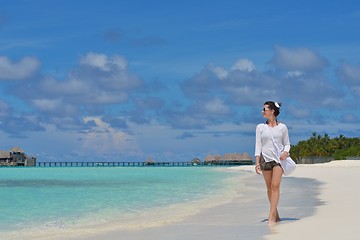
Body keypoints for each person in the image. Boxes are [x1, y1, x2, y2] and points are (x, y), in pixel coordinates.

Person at [254, 101, 291, 224]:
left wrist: (285, 152)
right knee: (269, 188)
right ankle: (276, 213)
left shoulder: (282, 127)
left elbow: (287, 143)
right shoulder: (260, 127)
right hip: (265, 159)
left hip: (278, 160)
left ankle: (271, 216)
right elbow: (258, 145)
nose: (262, 112)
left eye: (264, 109)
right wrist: (257, 162)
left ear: (272, 111)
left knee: (275, 186)